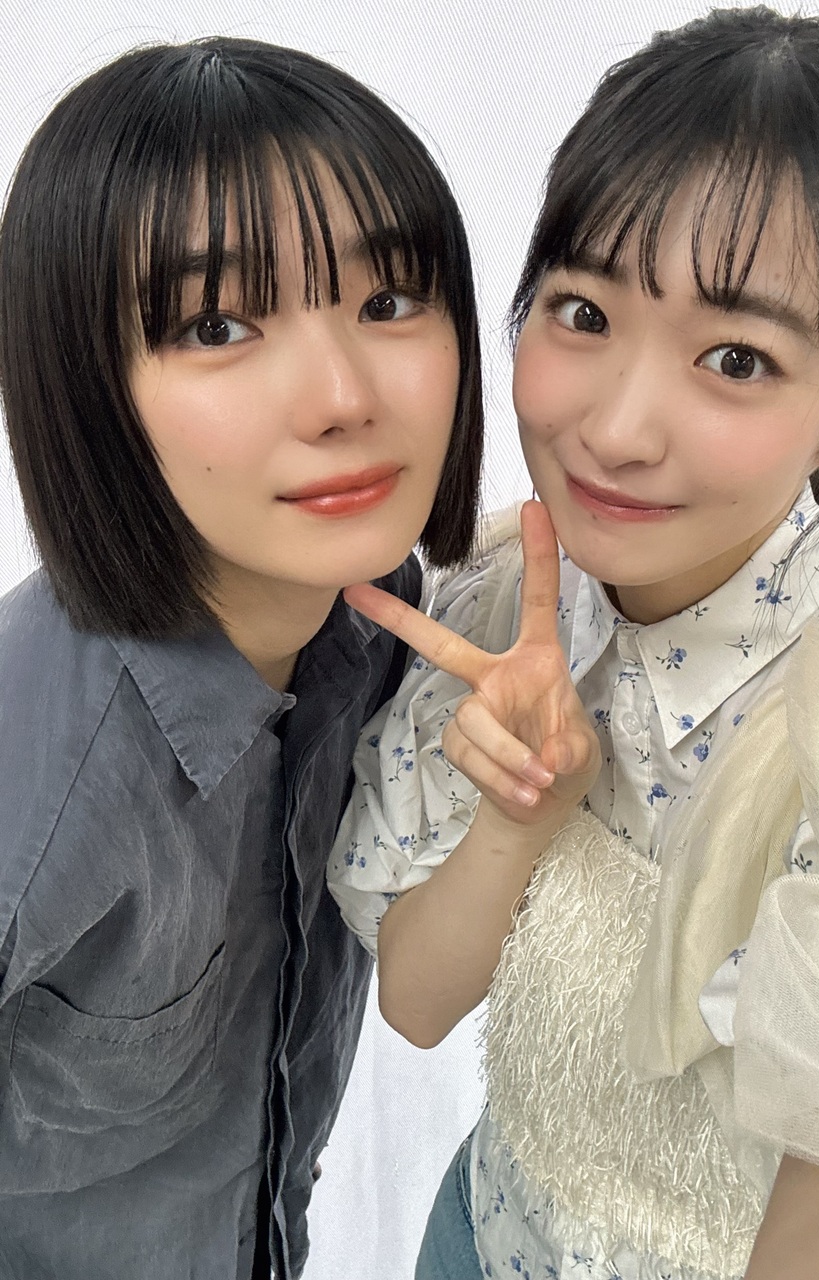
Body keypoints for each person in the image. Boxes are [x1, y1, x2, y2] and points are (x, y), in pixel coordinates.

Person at [328, 7, 819, 1278]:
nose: (616, 429)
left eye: (736, 357)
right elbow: (416, 1003)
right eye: (583, 310)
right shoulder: (497, 609)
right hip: (476, 1238)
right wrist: (517, 816)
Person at [0, 34, 482, 1280]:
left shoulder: (378, 628)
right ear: (86, 387)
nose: (341, 396)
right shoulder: (36, 758)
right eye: (218, 323)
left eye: (389, 301)